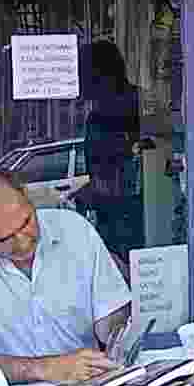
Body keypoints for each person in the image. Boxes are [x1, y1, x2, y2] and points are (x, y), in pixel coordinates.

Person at [0, 170, 131, 382]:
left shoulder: (74, 230)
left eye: (26, 222)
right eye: (5, 238)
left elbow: (113, 322)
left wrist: (121, 327)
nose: (23, 242)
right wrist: (46, 369)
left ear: (26, 196)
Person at [80, 39, 143, 256]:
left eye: (84, 72)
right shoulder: (140, 102)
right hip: (127, 212)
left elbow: (104, 169)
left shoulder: (105, 116)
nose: (80, 82)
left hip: (127, 215)